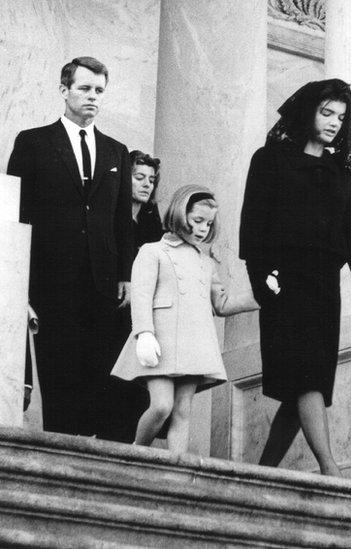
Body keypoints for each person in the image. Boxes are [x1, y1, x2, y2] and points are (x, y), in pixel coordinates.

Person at [239, 79, 351, 477]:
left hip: (326, 287)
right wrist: (262, 281)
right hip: (285, 284)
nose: (334, 123)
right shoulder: (270, 159)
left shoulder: (341, 173)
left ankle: (264, 473)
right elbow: (252, 226)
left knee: (304, 386)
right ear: (307, 111)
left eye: (342, 116)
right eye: (326, 113)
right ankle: (331, 469)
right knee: (307, 378)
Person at [7, 56, 133, 438]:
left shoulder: (116, 151)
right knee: (59, 371)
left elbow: (119, 221)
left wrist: (125, 275)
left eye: (99, 90)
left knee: (99, 374)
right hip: (50, 280)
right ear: (64, 91)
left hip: (102, 283)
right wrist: (18, 282)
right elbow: (17, 213)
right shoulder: (33, 142)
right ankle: (65, 450)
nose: (93, 97)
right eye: (84, 88)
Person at [111, 185, 258, 455]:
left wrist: (262, 295)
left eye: (209, 223)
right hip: (160, 341)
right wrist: (144, 333)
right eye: (198, 220)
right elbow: (141, 295)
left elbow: (222, 304)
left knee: (182, 411)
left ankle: (176, 468)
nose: (203, 228)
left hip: (195, 344)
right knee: (161, 406)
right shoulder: (152, 251)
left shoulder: (206, 262)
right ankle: (135, 454)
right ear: (181, 213)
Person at [109, 150, 164, 442]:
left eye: (151, 180)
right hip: (113, 309)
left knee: (139, 386)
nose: (146, 184)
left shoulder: (153, 224)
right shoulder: (110, 218)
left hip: (141, 314)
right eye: (139, 177)